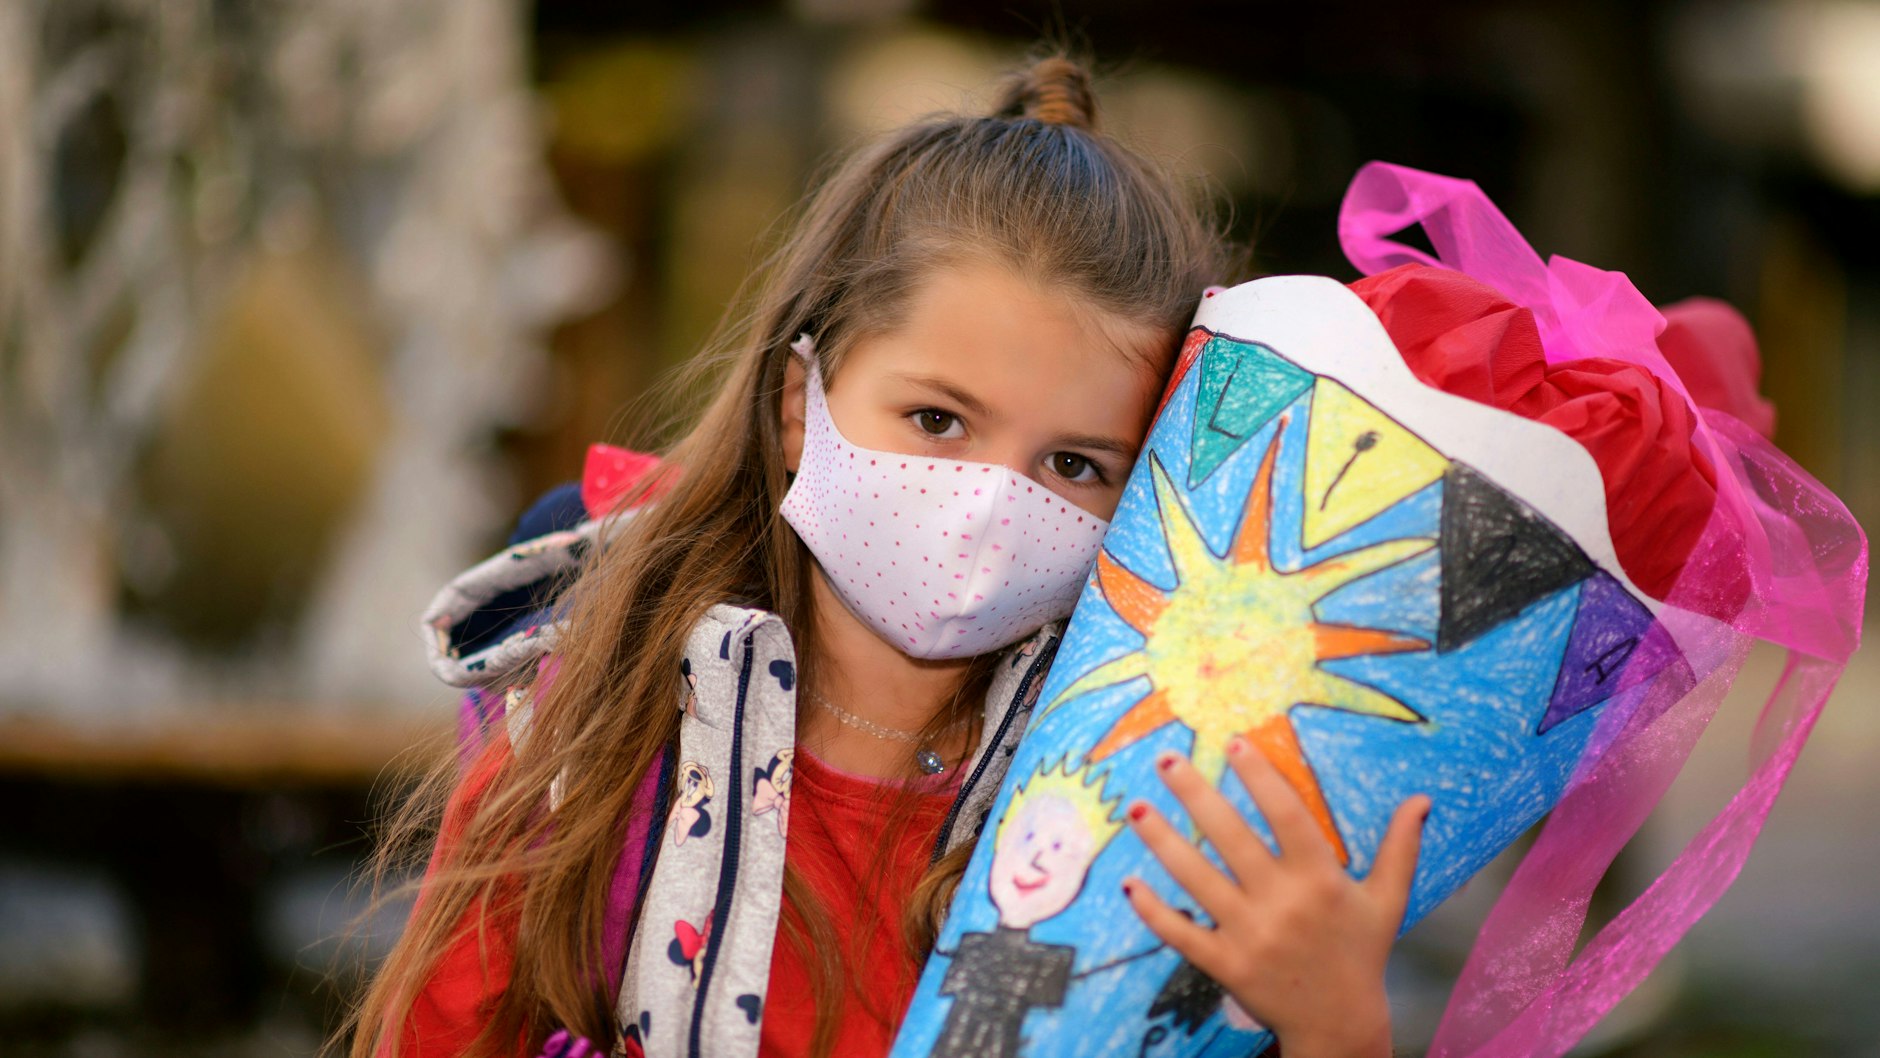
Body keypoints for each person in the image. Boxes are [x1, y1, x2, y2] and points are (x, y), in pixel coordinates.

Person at [343, 53, 1432, 1058]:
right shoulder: (598, 715)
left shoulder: (1141, 803)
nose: (992, 502)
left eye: (1074, 463)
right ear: (797, 406)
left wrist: (1331, 1031)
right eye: (937, 420)